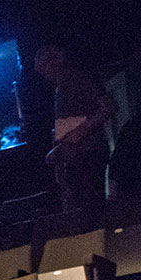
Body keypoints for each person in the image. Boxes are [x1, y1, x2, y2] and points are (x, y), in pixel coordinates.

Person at [35, 45, 113, 214]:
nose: (44, 74)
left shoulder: (79, 79)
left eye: (45, 66)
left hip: (88, 154)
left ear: (58, 60)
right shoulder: (60, 88)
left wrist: (80, 131)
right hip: (75, 157)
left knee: (91, 209)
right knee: (80, 209)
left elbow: (109, 107)